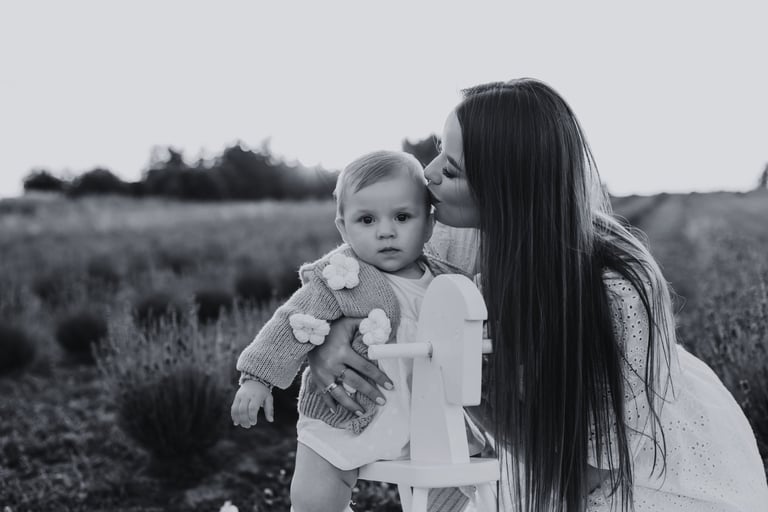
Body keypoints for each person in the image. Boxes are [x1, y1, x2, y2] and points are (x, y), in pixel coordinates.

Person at [306, 79, 768, 511]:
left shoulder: (617, 289)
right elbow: (356, 269)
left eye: (451, 168)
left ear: (507, 188)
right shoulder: (450, 231)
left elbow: (587, 472)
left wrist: (465, 385)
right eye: (438, 152)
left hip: (644, 472)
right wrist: (326, 333)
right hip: (534, 439)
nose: (427, 174)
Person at [231, 150, 482, 512]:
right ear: (343, 228)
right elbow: (295, 321)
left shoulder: (449, 280)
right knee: (314, 497)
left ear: (429, 225)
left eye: (402, 217)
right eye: (366, 220)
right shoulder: (342, 277)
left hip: (429, 422)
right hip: (346, 413)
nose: (386, 231)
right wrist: (257, 378)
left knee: (452, 489)